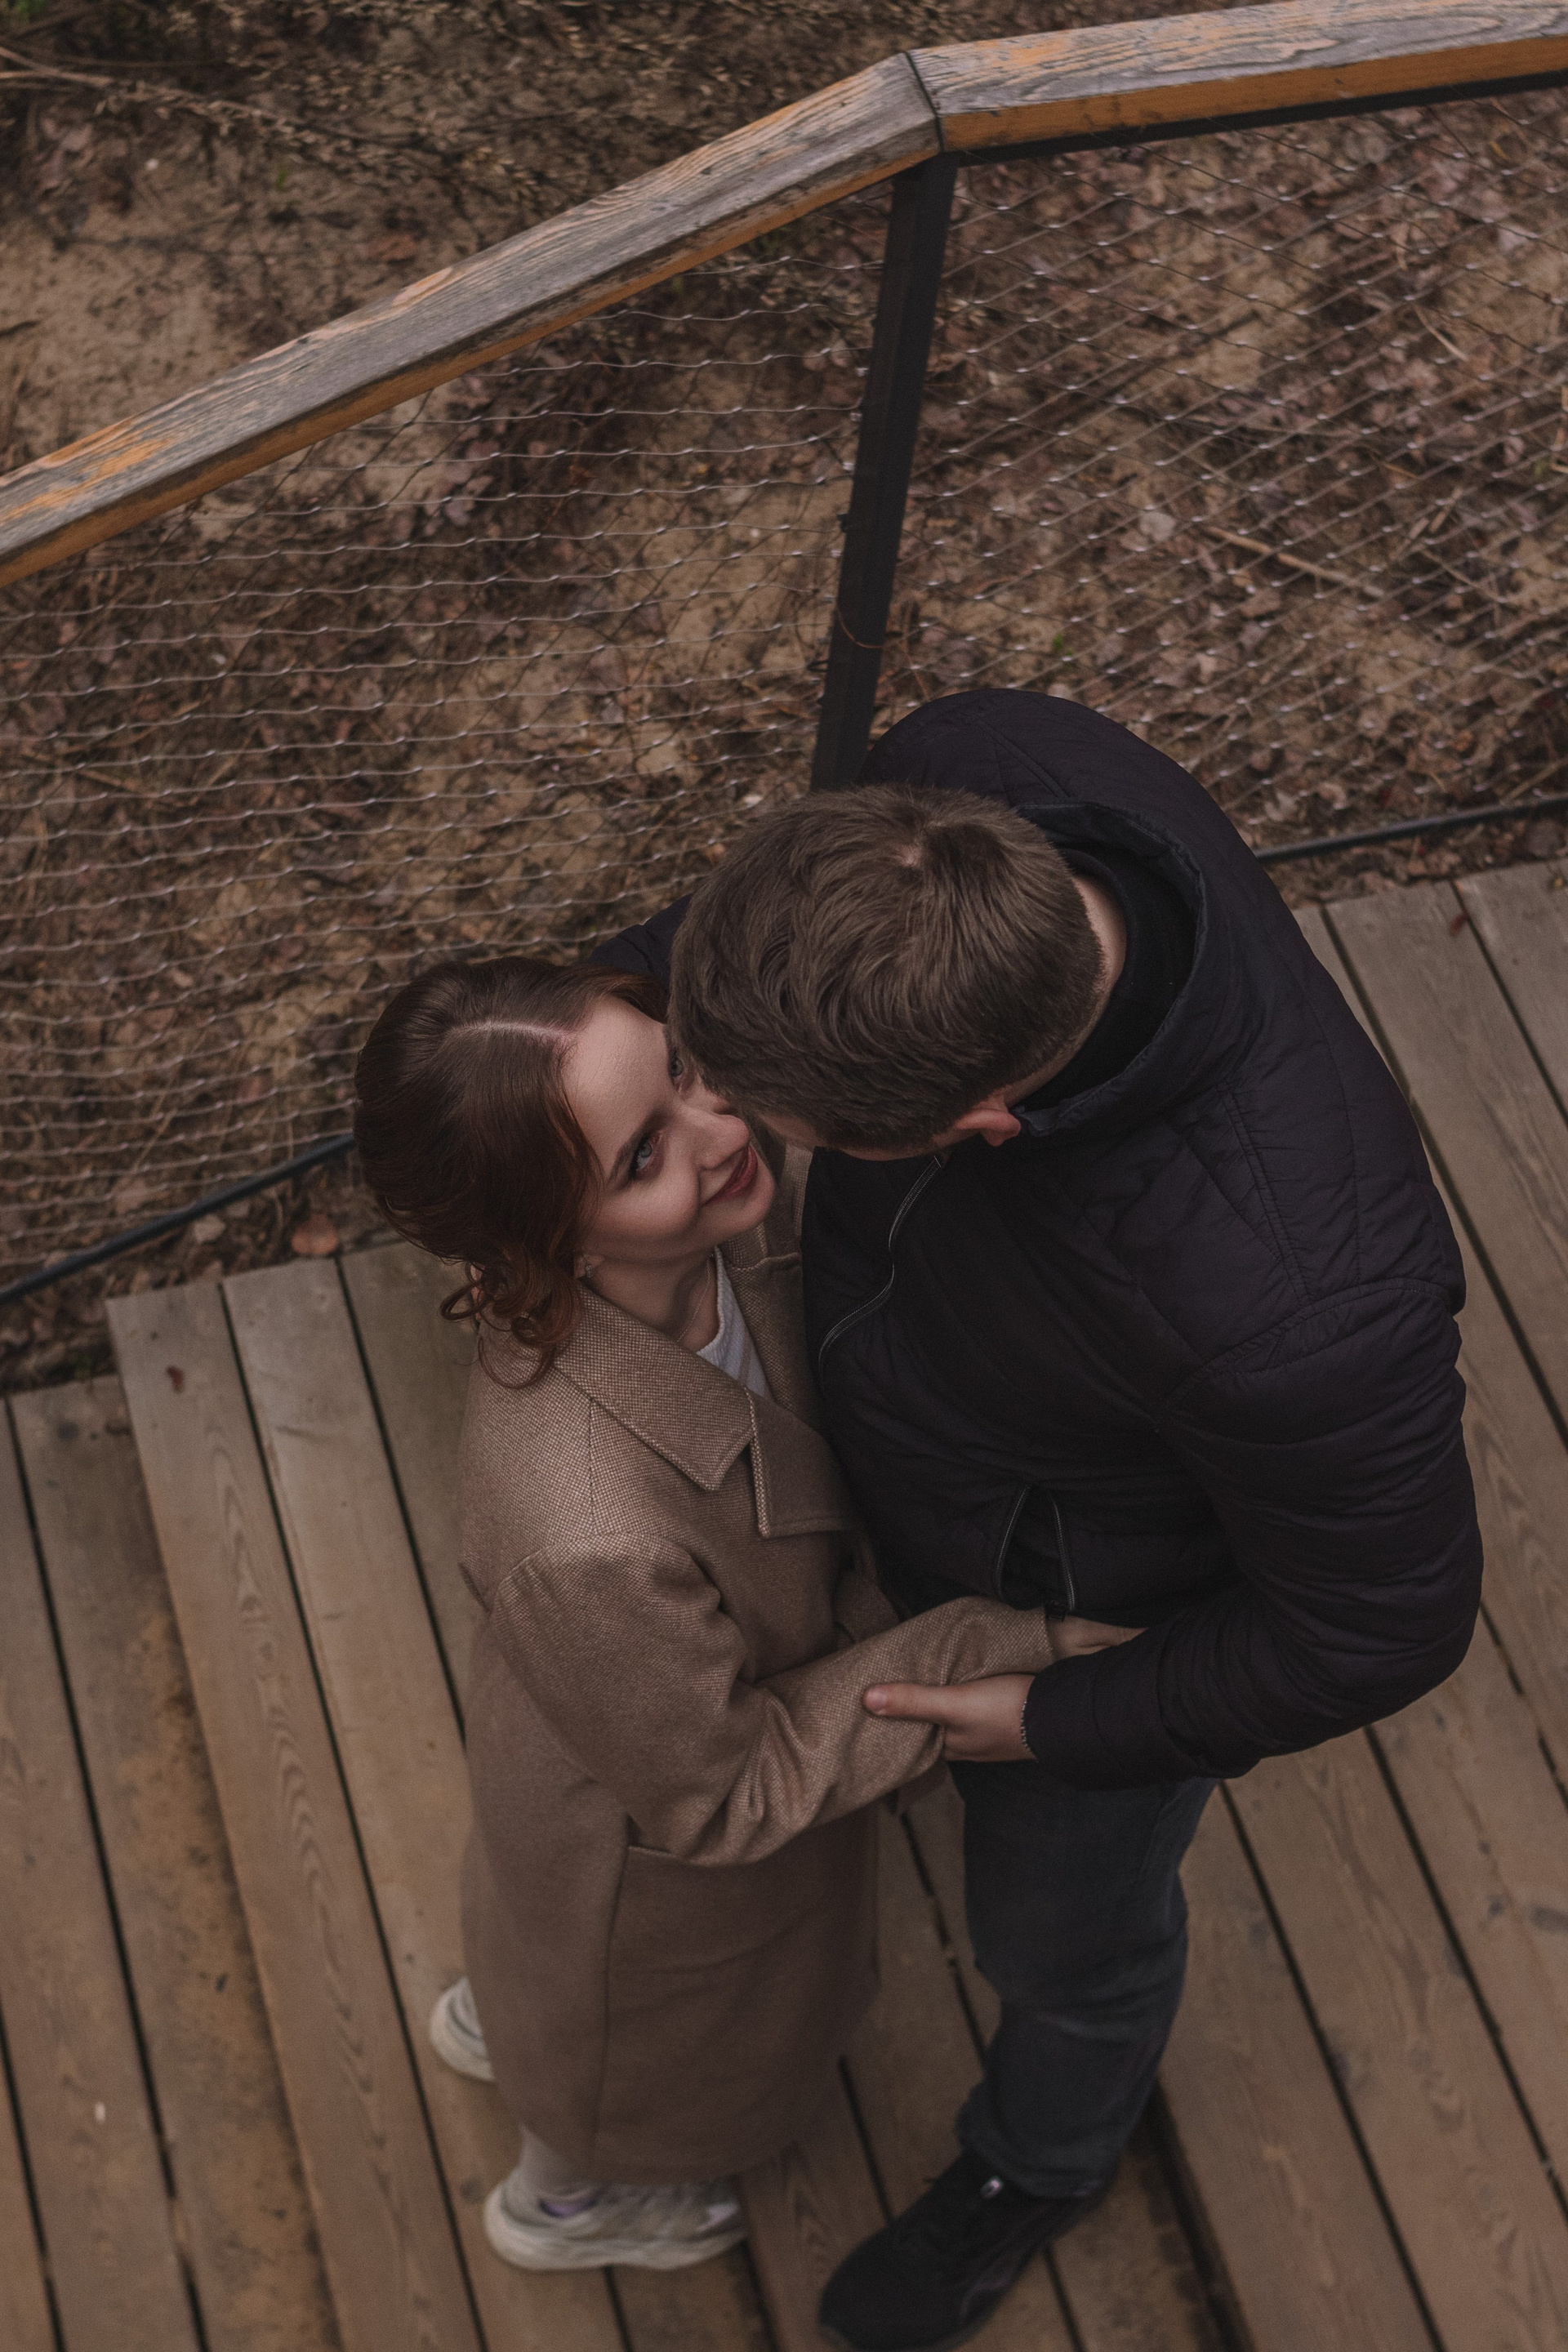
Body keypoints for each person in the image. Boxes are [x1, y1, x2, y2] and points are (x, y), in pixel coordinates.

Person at [598, 685, 1482, 2352]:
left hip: (1075, 1616)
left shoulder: (1302, 1313)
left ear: (974, 1128)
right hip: (936, 1413)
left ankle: (1043, 2156)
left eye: (762, 1123)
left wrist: (1056, 1718)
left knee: (1061, 1940)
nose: (715, 1131)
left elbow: (1384, 1623)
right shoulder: (988, 764)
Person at [351, 951, 1109, 2278]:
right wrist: (1008, 1644)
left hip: (601, 1730)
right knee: (632, 2053)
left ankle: (514, 2023)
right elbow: (721, 1792)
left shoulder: (719, 1223)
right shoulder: (582, 1526)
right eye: (644, 1154)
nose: (721, 1128)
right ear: (546, 1241)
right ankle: (567, 2200)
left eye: (687, 1070)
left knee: (548, 1966)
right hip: (656, 1850)